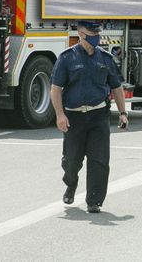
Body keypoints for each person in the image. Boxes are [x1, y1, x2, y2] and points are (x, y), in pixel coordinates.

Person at [51, 20, 127, 214]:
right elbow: (56, 89)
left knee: (99, 160)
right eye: (91, 34)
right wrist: (60, 114)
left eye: (97, 34)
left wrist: (123, 113)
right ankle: (71, 183)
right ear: (81, 34)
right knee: (71, 161)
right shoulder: (67, 58)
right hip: (74, 117)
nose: (96, 37)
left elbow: (116, 87)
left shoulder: (106, 59)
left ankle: (94, 200)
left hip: (98, 116)